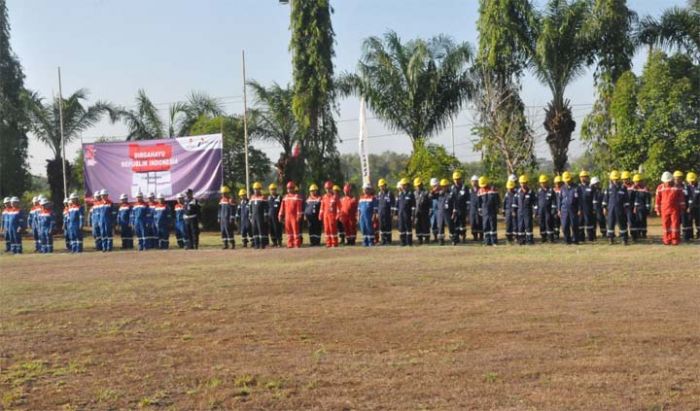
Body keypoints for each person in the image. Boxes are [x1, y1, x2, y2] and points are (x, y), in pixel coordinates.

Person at [655, 171, 685, 245]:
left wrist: (682, 207)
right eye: (666, 181)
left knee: (675, 224)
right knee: (665, 225)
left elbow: (681, 198)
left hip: (674, 209)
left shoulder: (677, 187)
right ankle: (667, 240)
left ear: (672, 180)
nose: (667, 183)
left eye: (669, 181)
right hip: (664, 209)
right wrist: (657, 209)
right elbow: (657, 199)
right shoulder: (660, 187)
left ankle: (675, 239)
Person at [602, 170, 630, 245]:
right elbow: (605, 199)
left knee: (622, 224)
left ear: (619, 179)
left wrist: (626, 209)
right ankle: (611, 239)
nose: (615, 181)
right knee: (610, 224)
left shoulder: (623, 188)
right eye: (614, 179)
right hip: (611, 209)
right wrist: (604, 208)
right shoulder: (608, 188)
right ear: (611, 179)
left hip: (620, 210)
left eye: (617, 179)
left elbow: (626, 200)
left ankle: (624, 239)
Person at [278, 181, 304, 248]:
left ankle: (297, 244)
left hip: (294, 216)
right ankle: (290, 244)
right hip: (287, 217)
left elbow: (299, 208)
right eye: (288, 188)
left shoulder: (297, 196)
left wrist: (299, 216)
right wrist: (280, 215)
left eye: (291, 188)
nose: (289, 189)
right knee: (288, 230)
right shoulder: (285, 197)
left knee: (295, 230)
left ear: (293, 188)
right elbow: (282, 207)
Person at [558, 172, 581, 245]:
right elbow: (559, 199)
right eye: (566, 180)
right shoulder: (562, 188)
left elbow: (580, 200)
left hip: (573, 209)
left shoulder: (576, 187)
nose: (567, 182)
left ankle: (575, 240)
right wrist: (559, 210)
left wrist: (580, 209)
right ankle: (567, 240)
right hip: (564, 210)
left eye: (568, 180)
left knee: (574, 225)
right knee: (564, 226)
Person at [478, 176, 500, 246]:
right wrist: (480, 209)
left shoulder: (493, 189)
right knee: (485, 226)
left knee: (493, 226)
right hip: (485, 212)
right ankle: (487, 241)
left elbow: (497, 200)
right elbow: (479, 202)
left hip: (492, 211)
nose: (483, 187)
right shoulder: (480, 190)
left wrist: (497, 208)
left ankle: (494, 241)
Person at [535, 174, 556, 243]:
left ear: (547, 182)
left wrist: (553, 210)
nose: (543, 184)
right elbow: (536, 202)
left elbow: (554, 201)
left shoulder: (551, 190)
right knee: (542, 224)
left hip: (548, 211)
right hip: (541, 211)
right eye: (542, 183)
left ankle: (550, 238)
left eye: (544, 182)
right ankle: (543, 238)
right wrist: (536, 211)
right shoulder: (538, 191)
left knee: (549, 223)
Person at [395, 178, 415, 246]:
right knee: (401, 228)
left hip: (408, 214)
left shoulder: (410, 194)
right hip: (401, 214)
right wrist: (396, 214)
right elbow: (397, 205)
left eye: (405, 185)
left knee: (408, 228)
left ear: (407, 185)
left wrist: (412, 215)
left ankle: (409, 242)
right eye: (402, 185)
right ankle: (402, 242)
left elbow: (413, 206)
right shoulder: (399, 194)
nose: (403, 186)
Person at [319, 181, 340, 248]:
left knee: (333, 229)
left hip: (332, 215)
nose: (328, 190)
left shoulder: (335, 197)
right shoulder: (324, 197)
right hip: (326, 215)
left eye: (329, 188)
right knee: (326, 229)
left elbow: (339, 207)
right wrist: (320, 214)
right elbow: (322, 207)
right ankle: (328, 243)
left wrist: (338, 215)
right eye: (327, 188)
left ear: (332, 188)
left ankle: (334, 243)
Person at [516, 175, 535, 245]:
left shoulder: (530, 192)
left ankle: (529, 240)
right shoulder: (518, 191)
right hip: (520, 212)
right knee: (520, 226)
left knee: (528, 226)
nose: (523, 184)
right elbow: (515, 202)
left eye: (524, 183)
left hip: (528, 212)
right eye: (521, 183)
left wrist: (535, 212)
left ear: (527, 183)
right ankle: (521, 240)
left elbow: (535, 202)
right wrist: (513, 211)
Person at [249, 182, 269, 249]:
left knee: (261, 230)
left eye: (258, 189)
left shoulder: (263, 197)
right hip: (254, 217)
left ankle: (262, 244)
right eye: (255, 189)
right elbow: (250, 208)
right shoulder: (252, 198)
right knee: (254, 230)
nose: (256, 190)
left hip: (260, 217)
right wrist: (250, 216)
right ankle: (256, 244)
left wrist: (265, 216)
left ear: (260, 189)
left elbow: (266, 208)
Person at [578, 170, 596, 242]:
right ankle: (581, 238)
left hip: (589, 208)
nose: (583, 178)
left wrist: (594, 208)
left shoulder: (591, 187)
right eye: (582, 177)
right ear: (580, 178)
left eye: (585, 177)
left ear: (588, 178)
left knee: (589, 223)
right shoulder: (578, 187)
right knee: (580, 223)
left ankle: (591, 238)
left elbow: (594, 198)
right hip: (580, 208)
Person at [450, 171, 468, 242]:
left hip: (462, 208)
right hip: (454, 209)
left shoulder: (465, 187)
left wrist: (467, 209)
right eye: (455, 179)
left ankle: (463, 237)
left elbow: (467, 199)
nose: (457, 181)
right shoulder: (452, 188)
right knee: (455, 224)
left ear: (461, 179)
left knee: (462, 224)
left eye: (458, 179)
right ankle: (456, 238)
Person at [675, 171, 693, 242]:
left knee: (685, 222)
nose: (678, 180)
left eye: (679, 178)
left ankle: (686, 237)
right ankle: (676, 236)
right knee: (676, 222)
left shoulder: (686, 187)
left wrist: (689, 206)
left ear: (682, 178)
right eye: (676, 178)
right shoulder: (673, 187)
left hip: (684, 207)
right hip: (675, 208)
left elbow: (690, 197)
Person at [632, 174, 651, 239]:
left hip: (643, 208)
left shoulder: (645, 189)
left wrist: (648, 209)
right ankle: (638, 233)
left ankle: (643, 233)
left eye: (636, 181)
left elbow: (648, 200)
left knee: (642, 220)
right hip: (636, 208)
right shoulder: (634, 189)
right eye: (634, 182)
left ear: (640, 181)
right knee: (637, 221)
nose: (635, 183)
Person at [413, 178, 431, 245]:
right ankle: (419, 239)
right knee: (418, 226)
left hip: (424, 212)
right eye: (417, 186)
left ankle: (426, 239)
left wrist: (429, 210)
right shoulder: (414, 193)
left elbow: (429, 203)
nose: (418, 187)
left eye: (419, 185)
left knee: (425, 225)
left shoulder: (426, 193)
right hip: (417, 212)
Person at [376, 179, 394, 245]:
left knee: (388, 227)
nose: (381, 187)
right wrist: (377, 213)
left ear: (385, 186)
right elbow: (377, 204)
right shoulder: (379, 194)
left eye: (382, 186)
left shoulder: (389, 194)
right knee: (382, 227)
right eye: (380, 186)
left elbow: (392, 204)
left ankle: (388, 240)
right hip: (381, 213)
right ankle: (383, 240)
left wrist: (392, 213)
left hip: (387, 213)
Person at [436, 178, 453, 245]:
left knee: (450, 225)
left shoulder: (451, 193)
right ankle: (441, 240)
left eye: (445, 186)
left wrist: (454, 211)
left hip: (448, 212)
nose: (444, 187)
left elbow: (454, 202)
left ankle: (453, 239)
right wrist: (434, 190)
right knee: (440, 227)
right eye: (442, 186)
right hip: (440, 212)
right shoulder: (439, 193)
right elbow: (431, 196)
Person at [621, 171, 636, 241]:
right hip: (622, 208)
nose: (625, 180)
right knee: (623, 222)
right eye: (624, 179)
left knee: (631, 222)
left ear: (629, 179)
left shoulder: (633, 187)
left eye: (626, 179)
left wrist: (635, 207)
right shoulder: (620, 187)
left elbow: (636, 198)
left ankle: (634, 235)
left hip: (630, 207)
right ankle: (624, 235)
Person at [468, 175, 483, 242]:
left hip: (480, 209)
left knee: (480, 222)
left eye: (476, 181)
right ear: (471, 182)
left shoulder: (481, 190)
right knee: (473, 223)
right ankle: (475, 237)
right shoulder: (469, 191)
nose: (474, 183)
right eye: (473, 181)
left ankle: (481, 237)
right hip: (472, 210)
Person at [687, 172, 699, 239]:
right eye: (690, 181)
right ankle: (690, 235)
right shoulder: (687, 187)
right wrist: (689, 207)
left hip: (698, 207)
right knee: (689, 221)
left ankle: (698, 234)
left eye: (693, 181)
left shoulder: (698, 186)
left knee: (698, 221)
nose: (691, 182)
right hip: (690, 207)